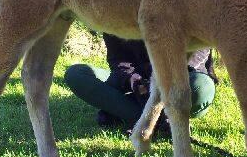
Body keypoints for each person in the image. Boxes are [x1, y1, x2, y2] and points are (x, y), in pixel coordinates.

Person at [64, 33, 218, 133]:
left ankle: (141, 117)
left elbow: (201, 46)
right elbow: (118, 60)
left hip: (179, 80)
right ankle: (157, 121)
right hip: (137, 85)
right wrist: (133, 80)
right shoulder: (114, 6)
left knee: (200, 87)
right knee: (76, 74)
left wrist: (162, 78)